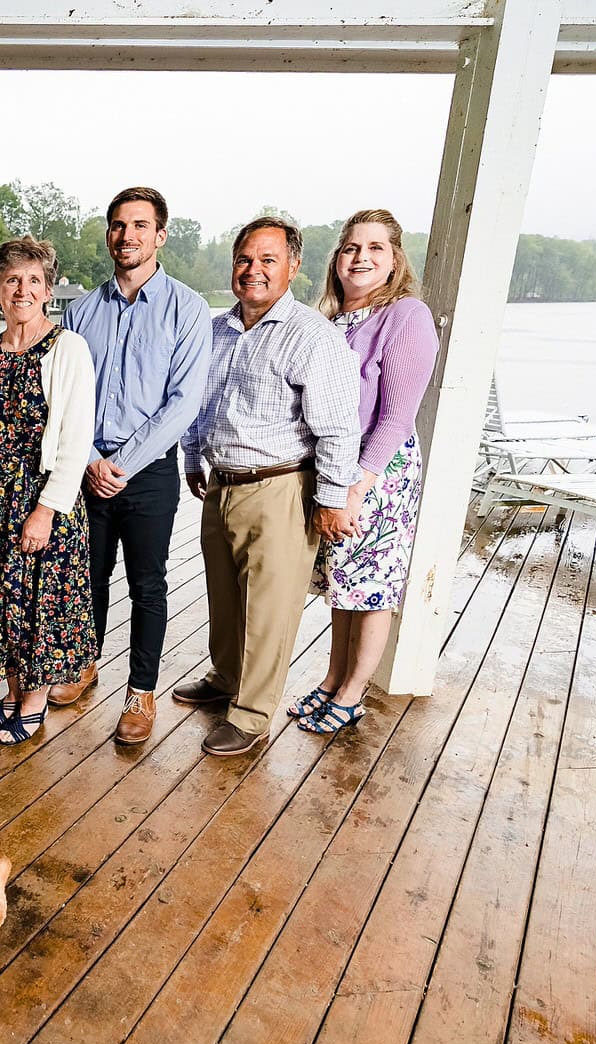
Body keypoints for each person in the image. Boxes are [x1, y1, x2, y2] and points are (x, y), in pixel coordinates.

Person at [178, 216, 361, 757]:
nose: (253, 271)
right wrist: (192, 456)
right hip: (223, 483)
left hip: (283, 485)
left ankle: (253, 714)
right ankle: (226, 678)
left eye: (268, 260)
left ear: (293, 266)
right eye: (244, 259)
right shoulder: (216, 330)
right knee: (226, 596)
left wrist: (330, 498)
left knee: (269, 607)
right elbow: (199, 405)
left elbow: (337, 427)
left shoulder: (311, 336)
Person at [60, 187, 210, 747]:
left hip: (147, 474)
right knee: (87, 577)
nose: (128, 236)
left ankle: (140, 693)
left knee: (147, 583)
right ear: (109, 235)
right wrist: (92, 460)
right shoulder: (80, 311)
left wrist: (119, 462)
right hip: (86, 467)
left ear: (160, 235)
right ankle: (82, 663)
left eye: (140, 226)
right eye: (119, 226)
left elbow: (183, 404)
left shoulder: (188, 309)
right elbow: (67, 396)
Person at [293, 209, 437, 733]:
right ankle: (332, 677)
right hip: (333, 468)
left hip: (378, 472)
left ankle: (353, 693)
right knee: (342, 584)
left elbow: (397, 415)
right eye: (352, 248)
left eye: (375, 248)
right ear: (337, 260)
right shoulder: (328, 321)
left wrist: (356, 488)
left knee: (370, 585)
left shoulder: (406, 315)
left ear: (394, 260)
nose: (361, 258)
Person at [0, 237, 99, 747]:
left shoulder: (69, 349)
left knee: (42, 605)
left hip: (46, 500)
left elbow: (75, 439)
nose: (23, 289)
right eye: (12, 280)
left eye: (34, 280)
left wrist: (45, 510)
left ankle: (36, 701)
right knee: (3, 602)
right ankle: (15, 692)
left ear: (48, 291)